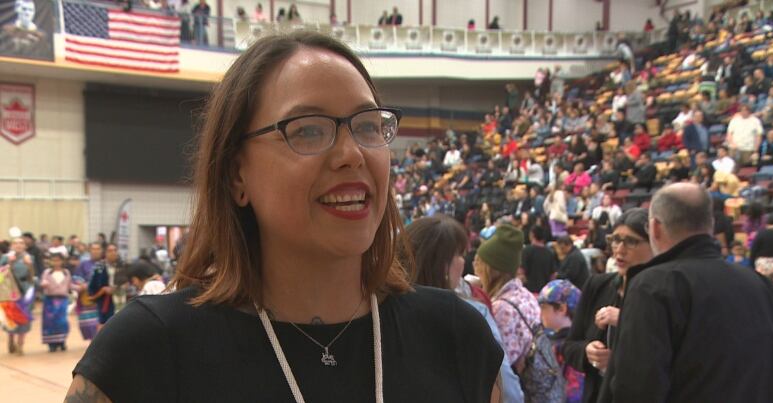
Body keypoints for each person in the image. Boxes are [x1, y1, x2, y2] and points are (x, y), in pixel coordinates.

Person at [68, 32, 502, 402]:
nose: (352, 154)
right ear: (237, 173)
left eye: (368, 125)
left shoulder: (458, 337)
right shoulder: (147, 352)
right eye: (308, 129)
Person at [603, 183, 773, 402]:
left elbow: (637, 388)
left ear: (655, 228)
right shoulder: (762, 285)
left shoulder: (652, 286)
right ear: (711, 225)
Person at [405, 215, 524, 403]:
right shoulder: (471, 312)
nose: (465, 261)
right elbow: (509, 391)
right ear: (443, 263)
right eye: (460, 254)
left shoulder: (382, 306)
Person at [560, 208, 652, 403]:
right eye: (616, 239)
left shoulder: (660, 295)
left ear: (654, 244)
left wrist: (625, 320)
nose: (619, 249)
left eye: (632, 241)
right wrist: (587, 352)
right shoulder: (597, 285)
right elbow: (569, 346)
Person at [474, 225, 554, 401]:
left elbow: (498, 369)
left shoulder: (502, 309)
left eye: (478, 262)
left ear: (490, 269)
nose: (475, 267)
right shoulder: (524, 294)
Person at [538, 280, 584, 403]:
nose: (540, 313)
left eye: (543, 308)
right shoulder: (555, 340)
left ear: (562, 308)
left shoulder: (567, 347)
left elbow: (574, 393)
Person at [0, 237, 35, 355]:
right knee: (11, 316)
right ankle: (11, 339)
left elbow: (34, 275)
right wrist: (10, 263)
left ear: (25, 246)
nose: (18, 245)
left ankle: (20, 345)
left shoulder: (29, 258)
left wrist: (29, 265)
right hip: (11, 290)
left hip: (26, 290)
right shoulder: (6, 258)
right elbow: (1, 273)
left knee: (24, 317)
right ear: (11, 246)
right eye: (16, 243)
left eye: (21, 243)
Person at [40, 253, 74, 352]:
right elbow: (43, 282)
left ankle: (62, 341)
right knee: (50, 322)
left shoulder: (66, 272)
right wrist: (43, 284)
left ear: (62, 261)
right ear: (50, 261)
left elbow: (70, 285)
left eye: (58, 260)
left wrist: (80, 287)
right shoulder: (47, 272)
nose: (56, 262)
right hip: (50, 300)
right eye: (54, 260)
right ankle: (52, 343)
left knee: (62, 321)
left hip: (63, 300)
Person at [73, 242, 103, 341]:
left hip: (104, 298)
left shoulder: (105, 264)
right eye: (93, 249)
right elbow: (77, 278)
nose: (95, 251)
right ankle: (94, 343)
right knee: (90, 324)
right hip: (87, 298)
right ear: (89, 251)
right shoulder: (83, 264)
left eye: (98, 249)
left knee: (103, 322)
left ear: (101, 250)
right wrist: (82, 284)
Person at [521, 226, 557, 294]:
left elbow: (521, 272)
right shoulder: (550, 252)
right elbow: (553, 275)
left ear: (532, 235)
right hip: (544, 292)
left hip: (528, 291)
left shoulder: (526, 251)